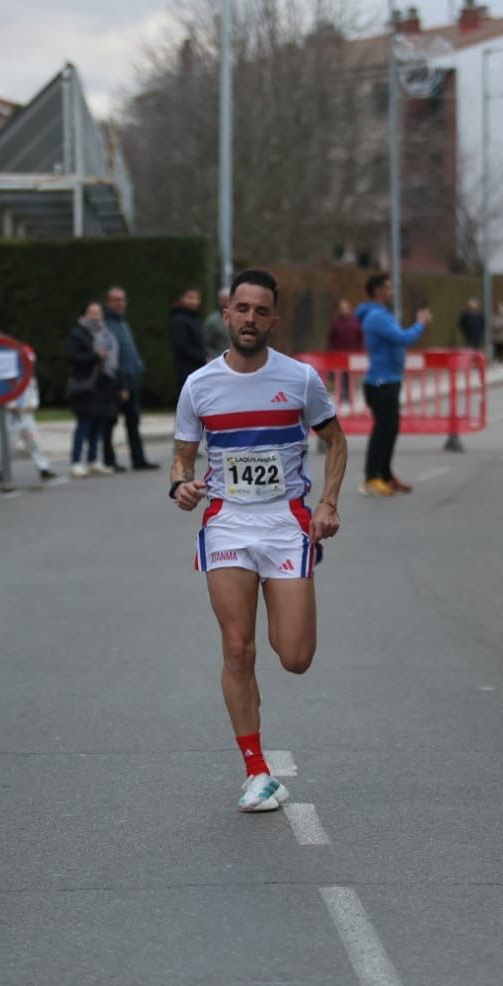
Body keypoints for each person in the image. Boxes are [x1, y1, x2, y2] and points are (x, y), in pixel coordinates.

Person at [170, 268, 347, 812]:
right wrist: (181, 484)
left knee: (294, 656)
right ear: (226, 315)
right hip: (227, 523)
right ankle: (256, 771)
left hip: (284, 524)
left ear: (273, 318)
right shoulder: (199, 385)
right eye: (240, 309)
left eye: (259, 310)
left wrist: (328, 502)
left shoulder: (300, 380)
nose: (249, 319)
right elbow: (182, 454)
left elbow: (336, 444)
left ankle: (260, 755)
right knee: (237, 647)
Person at [355, 274, 429, 497]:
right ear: (377, 290)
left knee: (391, 430)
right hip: (381, 382)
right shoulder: (377, 316)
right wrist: (420, 323)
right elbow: (403, 338)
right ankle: (371, 478)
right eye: (387, 288)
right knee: (382, 431)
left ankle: (385, 475)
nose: (391, 291)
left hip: (389, 379)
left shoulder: (382, 314)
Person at [102, 286, 157, 471]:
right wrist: (121, 384)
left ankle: (138, 458)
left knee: (133, 421)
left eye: (122, 299)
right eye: (115, 300)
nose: (120, 303)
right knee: (110, 422)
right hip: (117, 382)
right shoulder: (107, 325)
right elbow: (113, 358)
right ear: (108, 302)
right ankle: (109, 460)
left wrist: (139, 367)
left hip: (132, 380)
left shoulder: (123, 323)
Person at [65, 302, 118, 478]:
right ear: (85, 315)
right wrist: (95, 356)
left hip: (102, 385)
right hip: (86, 385)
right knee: (84, 425)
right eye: (92, 312)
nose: (95, 316)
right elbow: (72, 357)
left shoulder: (106, 333)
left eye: (98, 312)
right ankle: (76, 461)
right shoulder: (78, 334)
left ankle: (94, 460)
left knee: (98, 425)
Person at [0, 353, 56, 483]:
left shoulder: (31, 379)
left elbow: (33, 394)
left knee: (34, 442)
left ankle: (43, 468)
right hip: (11, 416)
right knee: (9, 444)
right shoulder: (10, 377)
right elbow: (4, 394)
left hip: (26, 415)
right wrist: (11, 406)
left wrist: (32, 405)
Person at [325, 297, 361, 407]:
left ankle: (349, 395)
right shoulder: (335, 322)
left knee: (349, 375)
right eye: (342, 308)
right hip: (338, 354)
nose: (344, 310)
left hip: (351, 353)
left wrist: (359, 351)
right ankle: (340, 395)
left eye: (346, 308)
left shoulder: (355, 322)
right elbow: (331, 338)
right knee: (340, 375)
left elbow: (359, 337)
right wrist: (330, 352)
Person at [169, 287, 205, 392]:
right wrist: (203, 358)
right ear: (181, 299)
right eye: (190, 298)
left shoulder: (195, 318)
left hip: (198, 368)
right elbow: (182, 346)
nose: (194, 301)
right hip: (187, 369)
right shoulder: (179, 320)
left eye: (197, 298)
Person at [203, 286, 230, 361]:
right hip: (219, 359)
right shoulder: (212, 321)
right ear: (219, 301)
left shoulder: (239, 318)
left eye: (229, 300)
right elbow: (205, 344)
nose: (227, 303)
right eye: (224, 300)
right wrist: (213, 357)